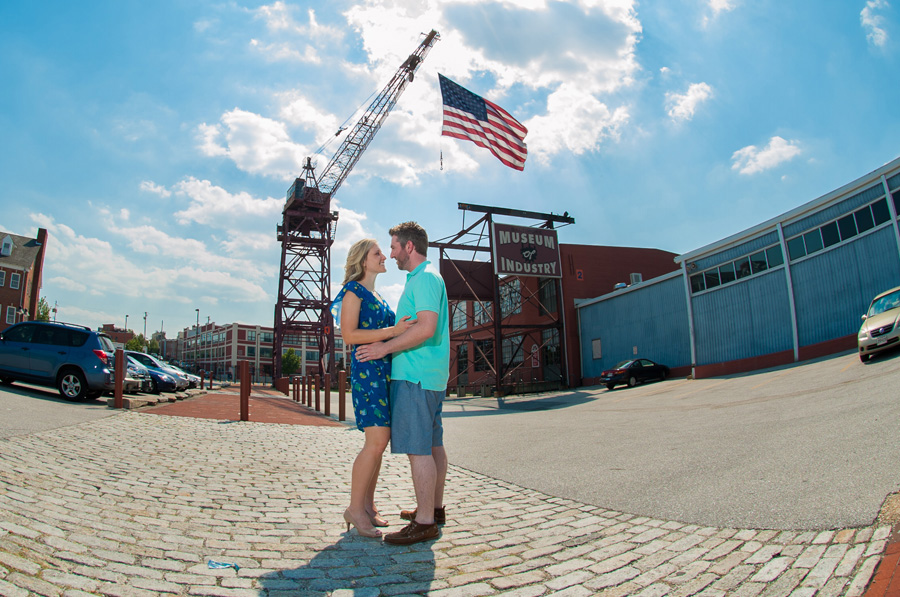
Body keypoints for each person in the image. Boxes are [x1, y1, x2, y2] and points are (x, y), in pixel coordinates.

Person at [356, 222, 450, 545]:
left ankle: (424, 522)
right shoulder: (426, 277)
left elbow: (425, 328)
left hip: (415, 377)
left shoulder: (423, 279)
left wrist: (383, 348)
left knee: (418, 450)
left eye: (394, 246)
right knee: (434, 446)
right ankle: (433, 509)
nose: (391, 253)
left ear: (410, 247)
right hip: (432, 376)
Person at [331, 238, 416, 538]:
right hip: (367, 373)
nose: (384, 257)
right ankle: (354, 508)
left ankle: (367, 505)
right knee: (376, 442)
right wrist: (393, 331)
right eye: (377, 253)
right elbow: (350, 335)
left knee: (379, 443)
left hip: (383, 372)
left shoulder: (377, 295)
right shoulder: (354, 290)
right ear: (363, 261)